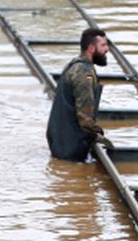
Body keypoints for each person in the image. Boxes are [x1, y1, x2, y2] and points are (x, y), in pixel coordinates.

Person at [47, 27, 115, 161]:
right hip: (70, 146)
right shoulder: (84, 73)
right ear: (91, 48)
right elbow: (85, 115)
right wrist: (98, 135)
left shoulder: (75, 65)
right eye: (103, 45)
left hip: (60, 141)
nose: (107, 49)